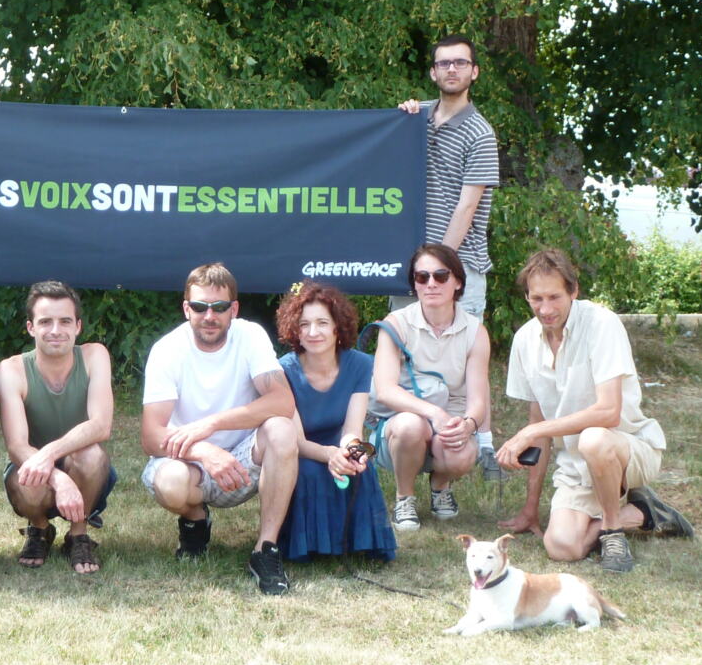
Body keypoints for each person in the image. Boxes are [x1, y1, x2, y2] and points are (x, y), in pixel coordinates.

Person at [495, 248, 694, 573]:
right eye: (536, 299)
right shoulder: (524, 341)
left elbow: (609, 412)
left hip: (628, 449)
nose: (545, 309)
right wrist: (530, 508)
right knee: (561, 548)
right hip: (577, 468)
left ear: (574, 291)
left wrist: (532, 431)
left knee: (593, 439)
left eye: (554, 297)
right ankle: (646, 512)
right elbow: (538, 424)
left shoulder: (602, 323)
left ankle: (613, 531)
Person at [140, 263, 300, 595]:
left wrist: (212, 424)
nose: (209, 315)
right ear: (186, 309)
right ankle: (195, 520)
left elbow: (282, 402)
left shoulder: (251, 336)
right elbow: (151, 436)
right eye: (199, 307)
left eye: (219, 307)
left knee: (282, 430)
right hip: (188, 461)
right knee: (169, 484)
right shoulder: (167, 350)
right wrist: (204, 449)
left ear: (234, 309)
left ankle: (265, 549)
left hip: (243, 458)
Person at [397, 36, 502, 477]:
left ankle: (483, 445)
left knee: (465, 359)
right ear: (433, 73)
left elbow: (468, 205)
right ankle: (411, 440)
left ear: (474, 72)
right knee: (406, 355)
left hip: (460, 265)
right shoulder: (416, 118)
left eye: (461, 63)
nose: (452, 70)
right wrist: (402, 116)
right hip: (413, 267)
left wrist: (440, 267)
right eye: (444, 64)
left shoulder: (480, 133)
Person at [369, 244, 492, 533]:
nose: (431, 284)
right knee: (412, 425)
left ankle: (440, 486)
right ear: (414, 283)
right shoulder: (395, 324)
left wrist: (469, 423)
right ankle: (405, 498)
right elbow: (385, 390)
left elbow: (478, 397)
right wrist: (433, 413)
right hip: (397, 429)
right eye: (422, 277)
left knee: (462, 453)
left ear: (458, 281)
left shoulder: (476, 331)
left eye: (440, 275)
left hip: (448, 426)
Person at [0, 281, 115, 575]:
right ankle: (39, 529)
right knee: (30, 478)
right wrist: (57, 477)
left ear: (78, 326)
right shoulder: (11, 370)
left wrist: (50, 452)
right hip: (31, 467)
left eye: (64, 321)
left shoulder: (94, 355)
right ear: (30, 327)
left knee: (91, 455)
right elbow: (17, 446)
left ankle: (78, 534)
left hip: (83, 464)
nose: (55, 330)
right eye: (45, 321)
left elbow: (101, 426)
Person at [275, 282, 396, 562]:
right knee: (308, 470)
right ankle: (308, 546)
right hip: (300, 449)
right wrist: (330, 455)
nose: (313, 332)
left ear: (336, 327)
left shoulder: (361, 364)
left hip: (338, 444)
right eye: (304, 324)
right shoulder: (283, 370)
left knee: (359, 466)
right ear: (295, 329)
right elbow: (297, 440)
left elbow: (353, 430)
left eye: (322, 323)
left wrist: (352, 451)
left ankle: (357, 543)